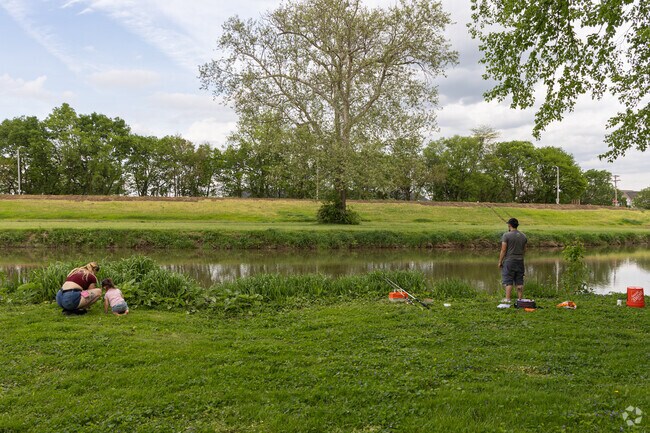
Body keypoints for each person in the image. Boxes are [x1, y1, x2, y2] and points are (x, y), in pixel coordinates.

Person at [498, 218, 527, 307]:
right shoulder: (523, 236)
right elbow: (524, 250)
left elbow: (503, 250)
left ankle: (508, 299)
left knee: (508, 280)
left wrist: (500, 261)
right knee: (519, 281)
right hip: (520, 260)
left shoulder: (506, 235)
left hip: (509, 261)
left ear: (509, 225)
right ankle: (520, 299)